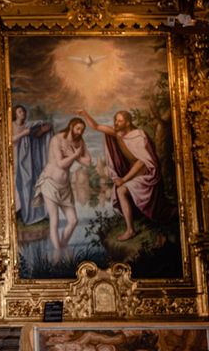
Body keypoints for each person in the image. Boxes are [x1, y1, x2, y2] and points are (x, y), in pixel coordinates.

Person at [76, 109, 177, 241]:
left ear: (128, 123)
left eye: (120, 121)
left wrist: (124, 179)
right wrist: (84, 113)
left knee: (122, 190)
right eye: (115, 120)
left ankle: (130, 230)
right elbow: (96, 126)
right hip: (135, 175)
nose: (116, 123)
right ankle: (131, 227)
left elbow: (142, 162)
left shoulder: (138, 137)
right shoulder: (118, 134)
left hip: (148, 175)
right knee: (120, 190)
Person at [33, 118, 91, 261]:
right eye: (78, 128)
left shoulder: (79, 142)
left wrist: (75, 154)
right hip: (50, 182)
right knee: (55, 220)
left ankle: (62, 245)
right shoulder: (56, 139)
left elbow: (88, 161)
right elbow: (60, 163)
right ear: (71, 126)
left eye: (82, 130)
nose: (80, 132)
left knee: (73, 220)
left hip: (65, 187)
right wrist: (76, 155)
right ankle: (58, 252)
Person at [12, 105, 53, 224]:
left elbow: (36, 135)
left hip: (26, 160)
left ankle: (30, 211)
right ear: (15, 113)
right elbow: (8, 139)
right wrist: (24, 133)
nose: (23, 113)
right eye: (20, 111)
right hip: (14, 159)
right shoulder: (12, 126)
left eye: (24, 111)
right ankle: (17, 212)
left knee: (29, 183)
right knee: (18, 185)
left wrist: (44, 128)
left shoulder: (28, 126)